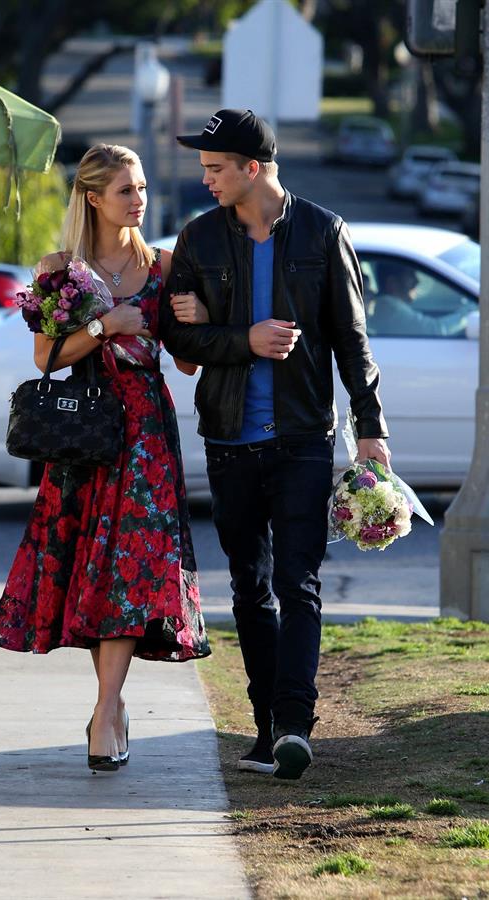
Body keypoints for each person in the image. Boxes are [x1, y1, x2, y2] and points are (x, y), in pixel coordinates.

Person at [160, 108, 390, 780]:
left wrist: (370, 427)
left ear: (250, 168)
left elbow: (352, 340)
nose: (205, 180)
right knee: (249, 587)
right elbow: (175, 339)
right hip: (229, 440)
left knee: (300, 582)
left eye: (214, 169)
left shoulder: (323, 232)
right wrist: (241, 337)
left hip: (302, 438)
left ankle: (294, 723)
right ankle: (263, 728)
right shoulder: (199, 240)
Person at [0, 144, 210, 773]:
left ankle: (107, 709)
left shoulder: (165, 266)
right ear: (93, 198)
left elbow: (187, 362)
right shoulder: (59, 270)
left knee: (133, 569)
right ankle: (109, 707)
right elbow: (44, 359)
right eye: (125, 191)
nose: (138, 200)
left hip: (146, 438)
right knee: (95, 568)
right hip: (84, 435)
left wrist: (195, 316)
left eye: (140, 189)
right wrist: (106, 324)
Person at [368, 260, 474, 337]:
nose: (417, 281)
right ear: (392, 283)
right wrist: (468, 313)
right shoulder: (390, 308)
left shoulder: (388, 306)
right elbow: (436, 330)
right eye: (410, 275)